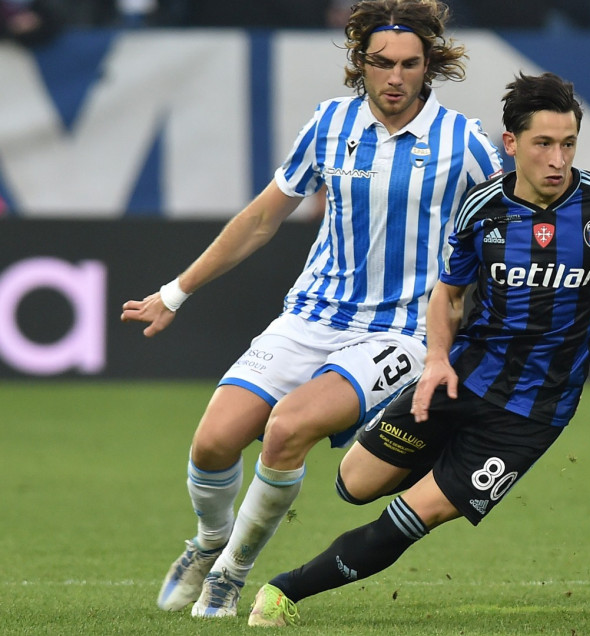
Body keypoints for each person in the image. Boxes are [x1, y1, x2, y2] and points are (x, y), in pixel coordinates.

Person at [243, 71, 590, 627]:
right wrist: (436, 360)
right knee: (354, 484)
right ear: (511, 143)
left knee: (418, 513)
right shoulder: (482, 210)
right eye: (544, 143)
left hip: (531, 412)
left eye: (568, 144)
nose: (558, 159)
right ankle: (443, 458)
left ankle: (282, 593)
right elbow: (447, 292)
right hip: (460, 378)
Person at [120, 0, 503, 618]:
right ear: (361, 63)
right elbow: (262, 218)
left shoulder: (466, 142)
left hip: (401, 331)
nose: (397, 77)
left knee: (288, 428)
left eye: (410, 64)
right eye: (383, 63)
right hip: (312, 316)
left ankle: (230, 574)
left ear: (428, 65)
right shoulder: (331, 124)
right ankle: (209, 541)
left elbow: (503, 233)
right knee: (213, 444)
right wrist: (174, 292)